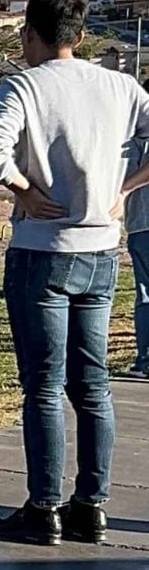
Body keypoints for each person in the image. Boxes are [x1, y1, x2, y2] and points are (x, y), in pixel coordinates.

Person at [0, 0, 149, 545]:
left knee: (44, 386)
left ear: (31, 32)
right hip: (102, 248)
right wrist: (125, 188)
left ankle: (43, 504)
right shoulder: (121, 86)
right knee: (92, 384)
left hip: (42, 250)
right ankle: (91, 504)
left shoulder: (25, 85)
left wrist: (24, 189)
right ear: (80, 34)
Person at [126, 115, 149, 380]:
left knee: (145, 293)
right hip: (140, 225)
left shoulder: (132, 142)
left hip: (142, 225)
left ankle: (145, 360)